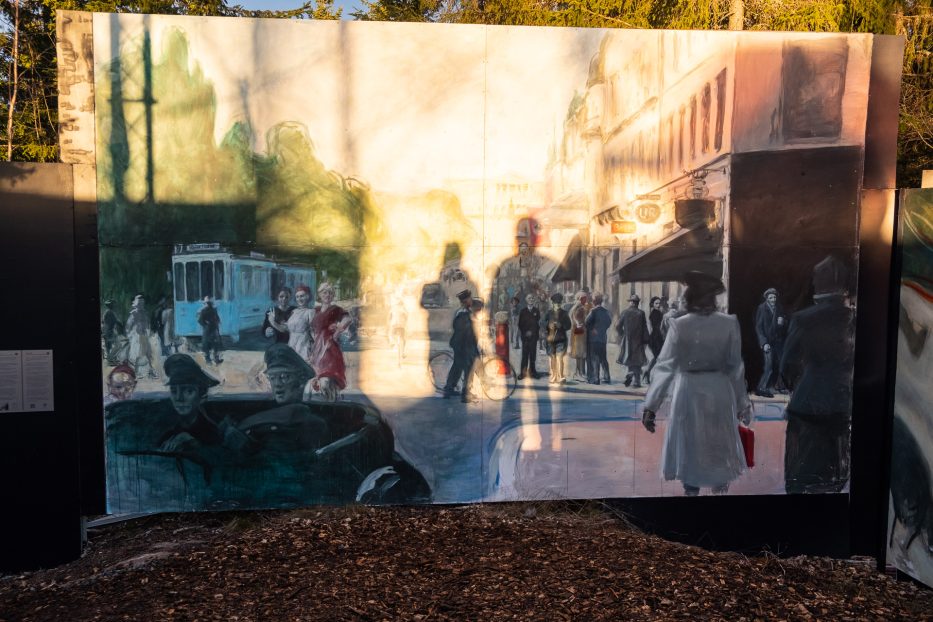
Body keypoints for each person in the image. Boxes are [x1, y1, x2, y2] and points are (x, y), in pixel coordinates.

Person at [641, 271, 752, 497]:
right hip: (719, 391)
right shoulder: (729, 323)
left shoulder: (680, 325)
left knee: (690, 446)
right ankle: (719, 495)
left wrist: (651, 406)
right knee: (717, 446)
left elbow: (665, 367)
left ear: (690, 297)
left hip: (688, 391)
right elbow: (735, 368)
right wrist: (742, 403)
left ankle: (691, 496)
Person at [781, 256, 855, 494]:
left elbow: (787, 365)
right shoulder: (853, 319)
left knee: (799, 476)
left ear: (818, 284)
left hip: (807, 404)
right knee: (835, 475)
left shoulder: (803, 319)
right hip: (842, 405)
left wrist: (798, 382)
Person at [309, 282, 351, 401]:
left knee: (328, 380)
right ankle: (331, 402)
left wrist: (337, 331)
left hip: (329, 348)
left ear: (333, 295)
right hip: (317, 348)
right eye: (324, 292)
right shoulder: (316, 310)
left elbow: (347, 318)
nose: (327, 295)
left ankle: (332, 403)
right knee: (320, 381)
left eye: (330, 292)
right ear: (320, 295)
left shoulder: (335, 309)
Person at [444, 289, 480, 403]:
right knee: (467, 368)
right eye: (469, 298)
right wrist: (469, 349)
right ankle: (465, 394)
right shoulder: (463, 315)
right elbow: (464, 334)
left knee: (457, 367)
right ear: (465, 301)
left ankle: (449, 389)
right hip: (463, 346)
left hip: (463, 345)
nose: (471, 300)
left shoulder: (465, 312)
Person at [266, 284, 314, 361]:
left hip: (303, 346)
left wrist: (314, 350)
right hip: (291, 345)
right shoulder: (294, 312)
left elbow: (313, 332)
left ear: (307, 297)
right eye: (297, 297)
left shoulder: (310, 312)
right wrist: (272, 322)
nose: (299, 299)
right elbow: (284, 329)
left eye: (302, 296)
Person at [754, 287, 787, 398]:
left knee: (781, 364)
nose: (773, 299)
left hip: (778, 341)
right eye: (771, 297)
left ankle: (779, 386)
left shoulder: (779, 308)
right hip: (768, 342)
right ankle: (761, 388)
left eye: (774, 297)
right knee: (769, 366)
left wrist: (782, 323)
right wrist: (764, 343)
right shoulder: (762, 308)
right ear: (767, 298)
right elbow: (759, 327)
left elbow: (784, 324)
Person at [616, 294, 649, 388]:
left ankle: (630, 373)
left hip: (628, 339)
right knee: (638, 360)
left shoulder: (625, 312)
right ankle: (636, 381)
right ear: (637, 303)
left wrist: (623, 334)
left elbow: (618, 326)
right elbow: (644, 327)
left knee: (629, 358)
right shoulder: (641, 313)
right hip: (638, 340)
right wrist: (646, 339)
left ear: (631, 302)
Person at [125, 294, 156, 378]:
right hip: (136, 336)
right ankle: (134, 372)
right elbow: (128, 326)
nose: (141, 305)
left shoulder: (145, 313)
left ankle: (151, 371)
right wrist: (130, 335)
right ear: (136, 304)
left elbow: (148, 323)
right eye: (140, 303)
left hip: (145, 335)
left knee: (148, 353)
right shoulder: (133, 314)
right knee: (137, 354)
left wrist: (149, 331)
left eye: (142, 303)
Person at [544, 293, 571, 384]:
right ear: (553, 303)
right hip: (550, 339)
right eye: (556, 303)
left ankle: (560, 376)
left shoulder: (564, 313)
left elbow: (569, 326)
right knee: (552, 358)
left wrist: (561, 326)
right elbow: (541, 323)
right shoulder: (548, 313)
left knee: (559, 357)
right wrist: (548, 325)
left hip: (561, 339)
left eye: (559, 303)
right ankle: (553, 375)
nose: (558, 304)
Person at [585, 293, 612, 384]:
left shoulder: (593, 311)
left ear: (594, 301)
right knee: (603, 358)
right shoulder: (606, 311)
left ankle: (596, 378)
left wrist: (592, 329)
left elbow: (586, 322)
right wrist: (602, 329)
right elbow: (609, 322)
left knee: (594, 358)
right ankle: (607, 377)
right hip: (603, 338)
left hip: (593, 339)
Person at [517, 293, 541, 380]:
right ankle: (523, 373)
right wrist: (526, 332)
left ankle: (532, 372)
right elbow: (520, 324)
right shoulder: (523, 311)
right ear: (526, 300)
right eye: (529, 298)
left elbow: (537, 324)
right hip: (525, 337)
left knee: (533, 355)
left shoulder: (536, 311)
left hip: (533, 337)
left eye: (532, 298)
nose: (531, 299)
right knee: (524, 355)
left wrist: (533, 332)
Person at [644, 296, 665, 384]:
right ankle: (648, 373)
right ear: (652, 304)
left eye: (659, 303)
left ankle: (647, 373)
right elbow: (659, 327)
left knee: (656, 358)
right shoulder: (657, 313)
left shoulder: (653, 313)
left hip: (655, 336)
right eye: (656, 303)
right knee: (658, 358)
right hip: (656, 337)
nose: (658, 305)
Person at [197, 296, 223, 365]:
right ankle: (209, 360)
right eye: (208, 303)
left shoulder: (212, 310)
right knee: (209, 344)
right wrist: (206, 324)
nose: (209, 304)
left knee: (215, 344)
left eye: (209, 303)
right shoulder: (204, 311)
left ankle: (215, 359)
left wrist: (216, 322)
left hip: (212, 329)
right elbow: (200, 321)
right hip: (209, 330)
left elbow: (217, 318)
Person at [569, 291, 589, 381]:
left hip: (578, 331)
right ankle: (579, 373)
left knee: (579, 352)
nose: (586, 300)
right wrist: (579, 323)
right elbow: (575, 318)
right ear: (580, 299)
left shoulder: (578, 307)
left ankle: (579, 373)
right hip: (579, 331)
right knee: (580, 352)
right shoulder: (580, 307)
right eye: (584, 298)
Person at [387, 294, 409, 364]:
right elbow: (407, 316)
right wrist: (405, 322)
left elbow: (389, 317)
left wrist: (389, 323)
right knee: (404, 339)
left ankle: (392, 342)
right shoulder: (403, 308)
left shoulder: (393, 308)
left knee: (390, 333)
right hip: (402, 326)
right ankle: (402, 353)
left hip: (394, 325)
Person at [101, 300, 124, 364]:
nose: (114, 306)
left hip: (107, 331)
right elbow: (116, 321)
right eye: (112, 304)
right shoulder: (110, 312)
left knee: (109, 346)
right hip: (109, 331)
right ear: (110, 305)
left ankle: (111, 359)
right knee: (118, 345)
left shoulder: (106, 312)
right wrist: (122, 325)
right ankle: (110, 358)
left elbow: (104, 322)